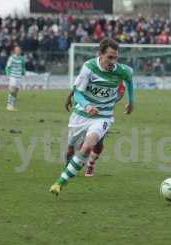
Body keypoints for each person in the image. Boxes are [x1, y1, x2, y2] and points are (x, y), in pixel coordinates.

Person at [50, 38, 134, 195]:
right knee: (71, 148)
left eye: (115, 57)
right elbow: (78, 92)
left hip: (103, 116)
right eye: (110, 57)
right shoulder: (88, 67)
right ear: (100, 55)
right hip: (81, 115)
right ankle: (70, 167)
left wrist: (131, 101)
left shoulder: (121, 70)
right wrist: (87, 105)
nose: (113, 61)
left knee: (89, 145)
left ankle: (61, 182)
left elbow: (129, 79)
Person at [64, 81, 126, 177]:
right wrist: (69, 96)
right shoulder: (91, 70)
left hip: (101, 116)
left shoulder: (117, 74)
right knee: (71, 147)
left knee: (97, 143)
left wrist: (107, 101)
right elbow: (78, 86)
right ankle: (68, 168)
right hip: (81, 115)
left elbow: (121, 92)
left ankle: (90, 165)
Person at [5, 46, 25, 112]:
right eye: (17, 50)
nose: (18, 51)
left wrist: (23, 73)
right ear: (15, 51)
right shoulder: (11, 58)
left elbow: (23, 67)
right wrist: (7, 75)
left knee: (16, 92)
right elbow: (7, 67)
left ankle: (12, 106)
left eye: (19, 50)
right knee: (12, 90)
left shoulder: (22, 58)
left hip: (18, 77)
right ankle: (8, 105)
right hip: (12, 76)